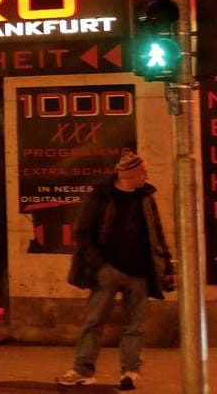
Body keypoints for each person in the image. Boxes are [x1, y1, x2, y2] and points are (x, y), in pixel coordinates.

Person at [57, 150, 175, 390]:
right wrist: (99, 264)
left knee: (135, 326)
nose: (147, 176)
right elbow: (84, 232)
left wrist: (167, 263)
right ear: (130, 175)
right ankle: (82, 370)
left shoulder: (145, 196)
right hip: (107, 271)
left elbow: (156, 232)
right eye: (143, 172)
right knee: (94, 321)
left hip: (141, 272)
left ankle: (130, 372)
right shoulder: (101, 196)